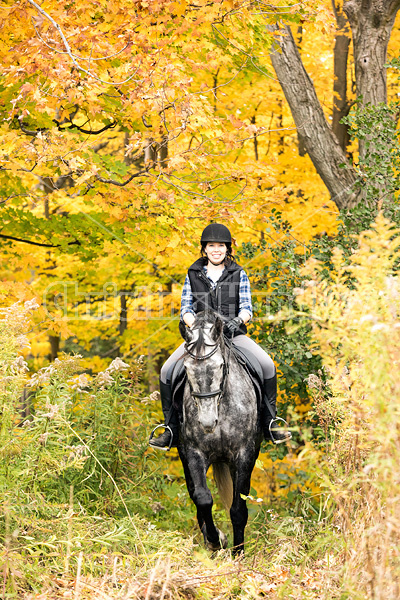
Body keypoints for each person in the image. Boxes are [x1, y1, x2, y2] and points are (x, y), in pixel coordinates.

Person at [149, 223, 292, 450]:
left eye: (221, 246)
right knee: (167, 370)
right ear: (204, 249)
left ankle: (270, 422)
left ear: (227, 249)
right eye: (211, 245)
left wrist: (238, 320)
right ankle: (170, 429)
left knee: (267, 365)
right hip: (200, 338)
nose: (216, 249)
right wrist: (197, 328)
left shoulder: (238, 273)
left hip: (233, 335)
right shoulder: (193, 273)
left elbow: (247, 308)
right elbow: (185, 308)